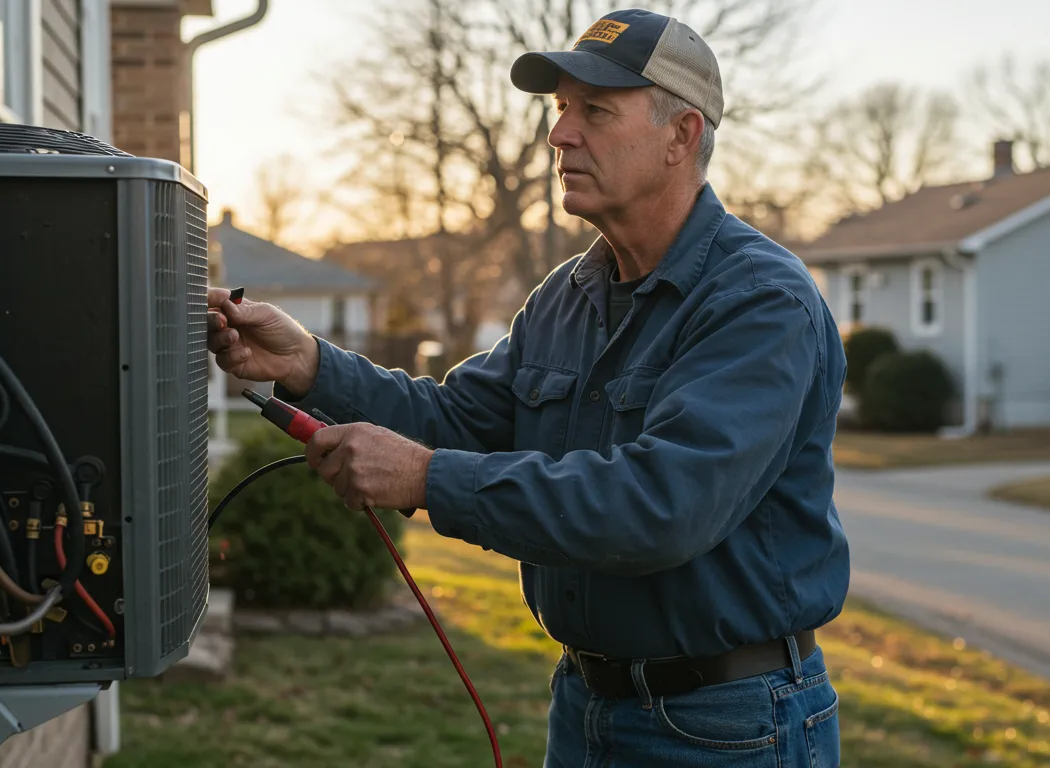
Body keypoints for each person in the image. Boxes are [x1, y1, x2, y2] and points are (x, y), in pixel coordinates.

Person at [207, 8, 848, 766]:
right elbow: (454, 417)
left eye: (597, 111)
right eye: (561, 109)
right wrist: (308, 364)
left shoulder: (758, 300)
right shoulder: (568, 294)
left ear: (682, 136)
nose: (560, 135)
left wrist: (423, 477)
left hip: (728, 725)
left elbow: (663, 505)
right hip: (586, 705)